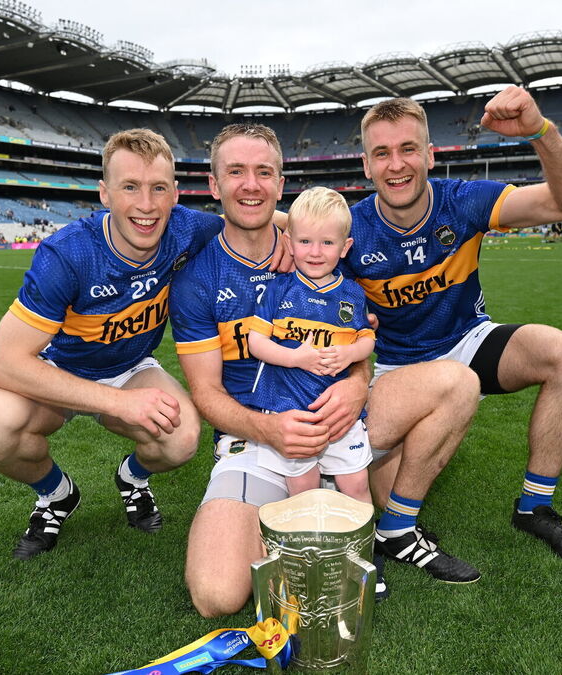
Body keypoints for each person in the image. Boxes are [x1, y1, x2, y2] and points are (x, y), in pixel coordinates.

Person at [171, 124, 437, 618]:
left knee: (455, 383)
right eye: (236, 172)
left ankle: (369, 518)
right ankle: (309, 508)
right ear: (214, 184)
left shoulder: (322, 250)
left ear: (280, 185)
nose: (251, 184)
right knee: (217, 595)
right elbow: (205, 394)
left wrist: (357, 384)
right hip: (254, 435)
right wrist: (269, 429)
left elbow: (354, 338)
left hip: (338, 416)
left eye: (263, 172)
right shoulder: (197, 279)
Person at [343, 92, 562, 578]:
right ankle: (417, 461)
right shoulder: (350, 228)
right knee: (383, 491)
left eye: (408, 149)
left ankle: (534, 507)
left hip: (469, 340)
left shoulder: (462, 201)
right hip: (399, 367)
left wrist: (540, 131)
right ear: (366, 164)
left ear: (429, 155)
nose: (396, 165)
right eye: (382, 153)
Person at [0, 129, 226, 560]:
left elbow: (256, 220)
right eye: (130, 187)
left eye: (158, 188)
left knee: (182, 439)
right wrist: (118, 403)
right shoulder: (68, 254)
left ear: (175, 194)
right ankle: (56, 494)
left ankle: (132, 478)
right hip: (59, 370)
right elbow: (3, 364)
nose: (147, 205)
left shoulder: (187, 228)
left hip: (130, 367)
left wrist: (302, 235)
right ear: (105, 193)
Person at [245, 187, 375, 503]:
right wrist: (295, 358)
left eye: (327, 243)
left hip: (338, 410)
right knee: (304, 487)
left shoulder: (352, 293)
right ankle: (310, 533)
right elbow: (255, 342)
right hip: (288, 406)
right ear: (289, 243)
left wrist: (349, 353)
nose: (315, 252)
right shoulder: (278, 289)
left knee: (357, 483)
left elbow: (367, 338)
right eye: (305, 242)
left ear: (345, 248)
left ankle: (363, 535)